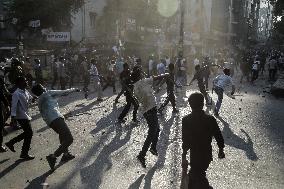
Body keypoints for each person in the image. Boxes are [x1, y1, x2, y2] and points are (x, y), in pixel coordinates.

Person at [182, 92, 225, 189]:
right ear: (203, 104)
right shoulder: (210, 119)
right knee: (198, 175)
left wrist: (184, 155)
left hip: (194, 154)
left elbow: (185, 140)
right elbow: (218, 135)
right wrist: (221, 149)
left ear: (190, 104)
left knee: (196, 176)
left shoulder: (186, 120)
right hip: (206, 154)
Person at [31, 84, 79, 170]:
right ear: (42, 89)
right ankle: (53, 156)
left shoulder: (40, 99)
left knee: (63, 137)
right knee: (69, 139)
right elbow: (63, 92)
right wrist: (75, 89)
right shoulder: (47, 94)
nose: (45, 87)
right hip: (56, 118)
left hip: (50, 121)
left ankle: (66, 154)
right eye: (43, 87)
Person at [134, 73, 169, 167]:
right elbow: (156, 77)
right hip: (150, 110)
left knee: (156, 130)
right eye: (141, 72)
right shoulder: (143, 81)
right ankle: (142, 154)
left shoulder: (135, 87)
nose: (143, 74)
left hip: (146, 110)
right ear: (139, 76)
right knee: (152, 132)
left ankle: (153, 147)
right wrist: (166, 74)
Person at [5, 77, 35, 160]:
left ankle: (11, 143)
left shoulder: (25, 91)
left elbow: (30, 98)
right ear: (20, 83)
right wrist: (13, 118)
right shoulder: (16, 93)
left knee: (28, 133)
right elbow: (13, 106)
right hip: (20, 116)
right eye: (24, 81)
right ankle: (24, 153)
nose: (26, 82)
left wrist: (34, 98)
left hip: (25, 114)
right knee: (29, 133)